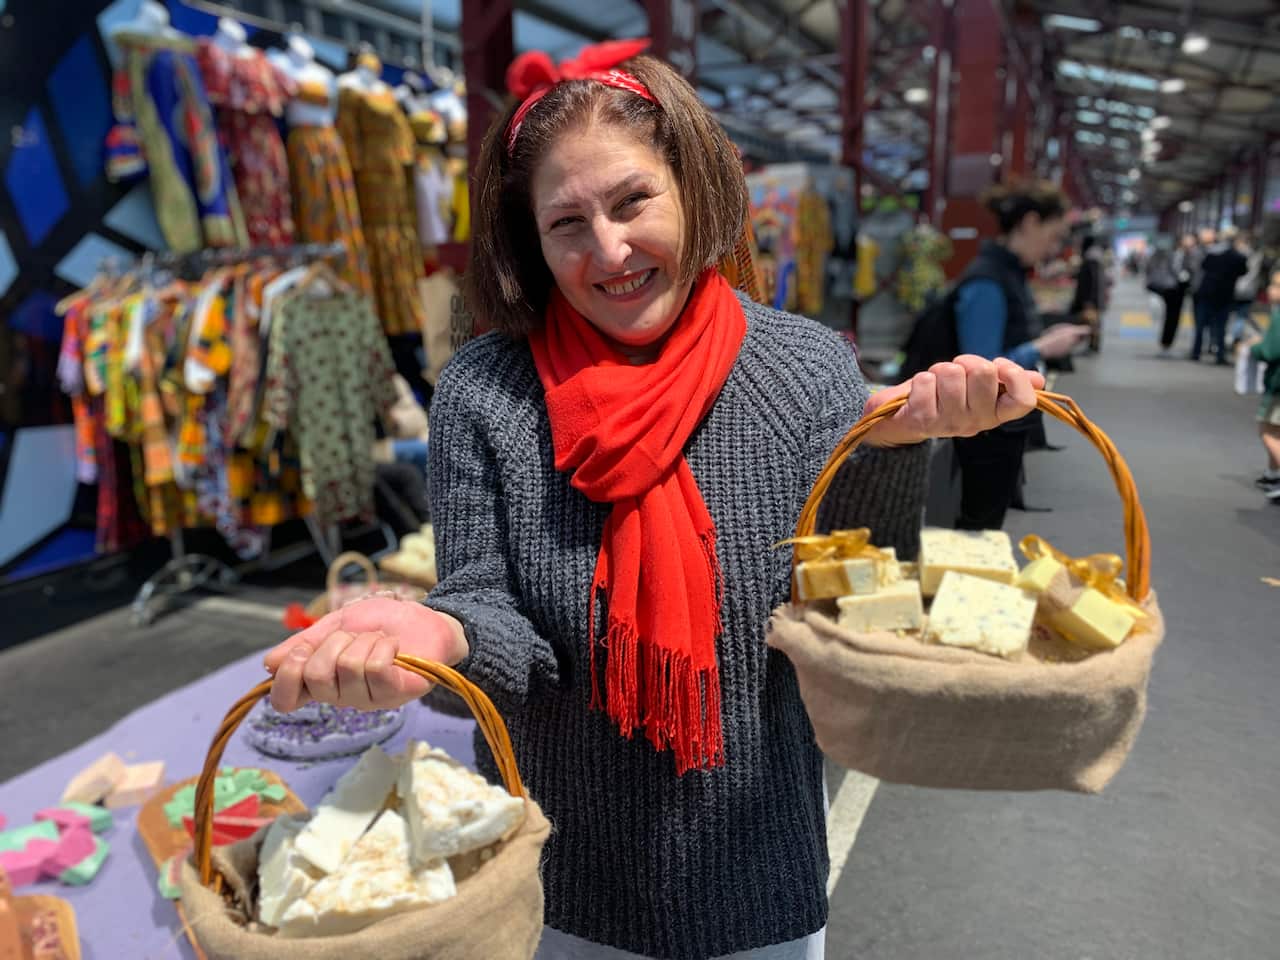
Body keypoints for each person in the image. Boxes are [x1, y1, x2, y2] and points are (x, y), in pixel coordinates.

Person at [263, 44, 1045, 960]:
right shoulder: (487, 390)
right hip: (555, 878)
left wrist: (893, 442)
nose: (609, 250)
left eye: (633, 201)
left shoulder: (803, 370)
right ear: (530, 241)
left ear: (693, 188)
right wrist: (441, 632)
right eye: (567, 223)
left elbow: (853, 610)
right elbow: (497, 616)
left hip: (758, 870)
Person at [948, 181, 1091, 531]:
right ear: (1029, 223)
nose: (1054, 248)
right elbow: (981, 366)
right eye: (1053, 236)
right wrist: (1042, 348)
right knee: (978, 524)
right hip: (981, 428)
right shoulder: (988, 280)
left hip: (995, 422)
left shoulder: (1006, 273)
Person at [1192, 227, 1249, 364]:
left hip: (1207, 293)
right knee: (1221, 326)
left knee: (1200, 325)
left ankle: (1196, 352)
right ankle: (1220, 354)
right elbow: (1243, 271)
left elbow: (1203, 267)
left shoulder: (1212, 254)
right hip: (1225, 295)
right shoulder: (1237, 256)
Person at [1248, 269, 1280, 501]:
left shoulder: (1279, 316)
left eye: (1277, 285)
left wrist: (1254, 347)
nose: (1270, 289)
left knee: (1266, 431)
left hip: (1277, 384)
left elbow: (1270, 351)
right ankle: (1272, 474)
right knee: (1276, 429)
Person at [1069, 234, 1104, 352]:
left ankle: (1093, 345)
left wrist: (1089, 300)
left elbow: (1092, 281)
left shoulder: (1091, 259)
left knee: (1092, 322)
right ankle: (1093, 345)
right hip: (1094, 298)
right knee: (1093, 322)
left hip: (1091, 299)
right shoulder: (1095, 257)